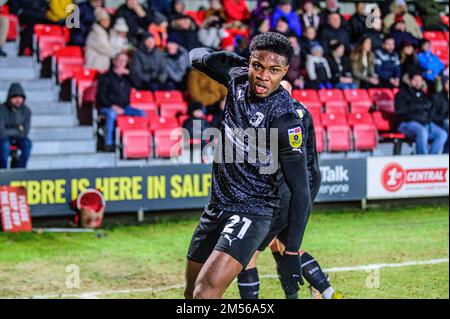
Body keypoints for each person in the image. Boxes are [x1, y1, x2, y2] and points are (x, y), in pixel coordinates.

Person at [185, 32, 311, 299]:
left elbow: (301, 190)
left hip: (253, 211)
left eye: (274, 70)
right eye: (258, 66)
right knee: (190, 292)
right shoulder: (237, 77)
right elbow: (194, 56)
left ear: (285, 72)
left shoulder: (286, 119)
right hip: (217, 206)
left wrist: (291, 252)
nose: (263, 76)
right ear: (250, 63)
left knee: (204, 293)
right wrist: (220, 58)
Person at [236, 80, 342, 300]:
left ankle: (322, 289)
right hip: (298, 184)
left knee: (248, 254)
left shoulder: (289, 116)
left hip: (293, 187)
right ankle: (323, 288)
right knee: (280, 245)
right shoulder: (294, 111)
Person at [97, 53, 146, 151]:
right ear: (114, 61)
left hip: (125, 107)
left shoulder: (126, 77)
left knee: (141, 113)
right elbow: (101, 96)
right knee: (111, 115)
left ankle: (137, 143)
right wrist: (112, 106)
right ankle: (108, 143)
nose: (121, 63)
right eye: (119, 60)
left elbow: (139, 85)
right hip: (108, 107)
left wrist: (129, 74)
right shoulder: (106, 76)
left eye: (124, 61)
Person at [395, 73, 447, 155]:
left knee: (442, 134)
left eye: (420, 80)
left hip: (424, 122)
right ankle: (423, 157)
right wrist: (417, 108)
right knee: (422, 131)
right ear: (410, 81)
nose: (418, 83)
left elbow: (428, 106)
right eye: (415, 80)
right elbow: (400, 111)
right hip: (407, 123)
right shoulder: (402, 93)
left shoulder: (420, 94)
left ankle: (432, 157)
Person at [0, 83, 32, 169]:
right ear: (9, 98)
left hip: (18, 138)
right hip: (3, 138)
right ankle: (3, 171)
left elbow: (25, 133)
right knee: (4, 145)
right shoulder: (1, 109)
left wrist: (9, 130)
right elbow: (1, 132)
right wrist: (18, 130)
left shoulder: (26, 111)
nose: (18, 100)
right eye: (15, 97)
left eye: (20, 97)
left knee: (27, 143)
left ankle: (20, 169)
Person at [85, 8, 121, 72]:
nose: (107, 22)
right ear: (99, 21)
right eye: (104, 20)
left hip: (102, 66)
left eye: (108, 19)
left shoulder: (104, 32)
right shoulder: (96, 34)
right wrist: (119, 53)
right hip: (94, 67)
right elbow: (105, 49)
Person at [431, 77, 449, 154]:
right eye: (448, 83)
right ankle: (446, 155)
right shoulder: (437, 97)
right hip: (439, 123)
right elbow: (433, 115)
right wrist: (445, 119)